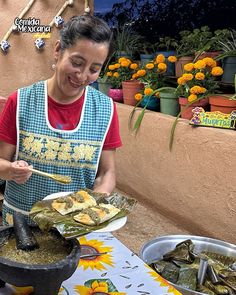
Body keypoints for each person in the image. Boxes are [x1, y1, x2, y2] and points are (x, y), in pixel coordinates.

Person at [0, 14, 122, 225]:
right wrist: (11, 171)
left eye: (94, 69)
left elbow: (107, 172)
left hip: (74, 226)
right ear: (57, 50)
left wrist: (96, 201)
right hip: (21, 224)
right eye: (77, 63)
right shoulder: (20, 102)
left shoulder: (105, 109)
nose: (83, 76)